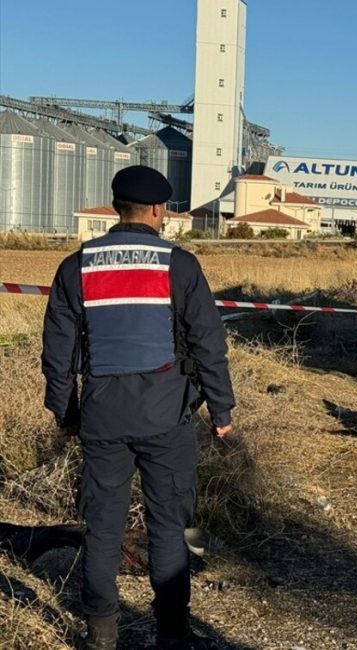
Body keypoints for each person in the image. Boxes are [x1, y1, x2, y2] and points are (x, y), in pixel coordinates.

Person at [41, 166, 235, 650]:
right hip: (167, 416)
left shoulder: (76, 266)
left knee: (102, 527)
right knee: (169, 526)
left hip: (102, 416)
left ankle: (101, 633)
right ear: (156, 210)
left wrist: (65, 412)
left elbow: (58, 352)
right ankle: (171, 634)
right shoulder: (179, 264)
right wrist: (222, 411)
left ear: (114, 207)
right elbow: (208, 344)